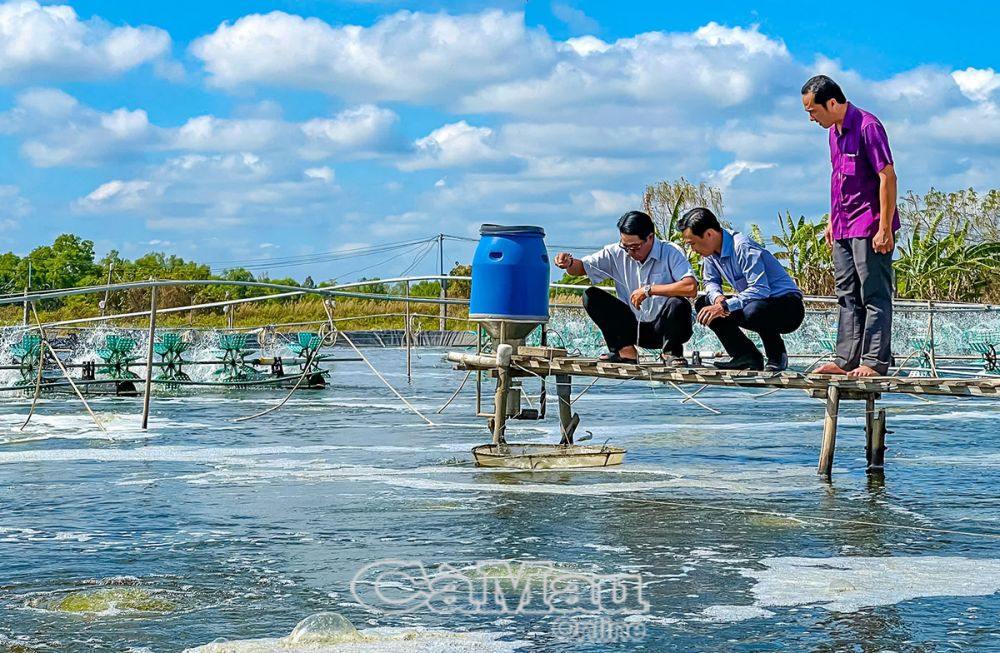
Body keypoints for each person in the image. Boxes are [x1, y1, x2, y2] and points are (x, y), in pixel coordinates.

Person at [801, 74, 899, 377]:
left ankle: (873, 362)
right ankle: (845, 361)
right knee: (847, 294)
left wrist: (884, 227)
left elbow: (887, 176)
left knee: (874, 294)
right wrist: (832, 219)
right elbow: (839, 179)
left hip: (869, 225)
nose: (812, 119)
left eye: (813, 111)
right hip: (843, 225)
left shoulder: (868, 126)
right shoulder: (833, 133)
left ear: (832, 103)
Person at [553, 210, 696, 365]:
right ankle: (625, 351)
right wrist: (569, 264)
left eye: (635, 247)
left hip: (667, 328)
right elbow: (581, 268)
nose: (629, 252)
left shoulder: (671, 252)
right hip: (634, 328)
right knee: (591, 296)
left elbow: (690, 287)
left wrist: (649, 290)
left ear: (650, 238)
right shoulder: (616, 252)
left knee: (677, 303)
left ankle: (671, 353)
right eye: (625, 247)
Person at [678, 207, 805, 372]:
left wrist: (724, 306)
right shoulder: (709, 253)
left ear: (709, 234)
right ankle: (746, 356)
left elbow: (760, 289)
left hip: (788, 307)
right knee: (704, 304)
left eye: (692, 243)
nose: (692, 249)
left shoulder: (742, 246)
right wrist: (717, 299)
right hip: (757, 302)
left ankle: (776, 355)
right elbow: (710, 281)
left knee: (754, 310)